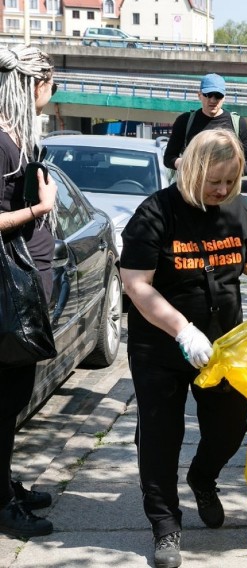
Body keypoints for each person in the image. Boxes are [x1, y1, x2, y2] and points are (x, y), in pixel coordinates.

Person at [120, 129, 247, 568]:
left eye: (232, 181)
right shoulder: (155, 214)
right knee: (160, 437)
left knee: (230, 428)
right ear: (192, 170)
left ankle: (203, 477)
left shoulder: (233, 209)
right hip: (161, 347)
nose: (224, 190)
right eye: (216, 181)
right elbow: (135, 284)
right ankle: (165, 527)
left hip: (223, 347)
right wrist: (183, 330)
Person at [0, 44, 58, 539]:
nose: (52, 91)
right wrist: (40, 210)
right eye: (49, 81)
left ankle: (4, 485)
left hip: (23, 288)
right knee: (3, 401)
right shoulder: (0, 141)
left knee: (13, 398)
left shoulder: (19, 136)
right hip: (6, 295)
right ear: (32, 84)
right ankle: (2, 504)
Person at [163, 73, 247, 176]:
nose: (213, 100)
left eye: (218, 96)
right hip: (193, 189)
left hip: (225, 190)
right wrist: (186, 164)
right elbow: (169, 158)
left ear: (224, 97)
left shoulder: (238, 123)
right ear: (199, 95)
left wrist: (227, 171)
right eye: (208, 95)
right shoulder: (185, 121)